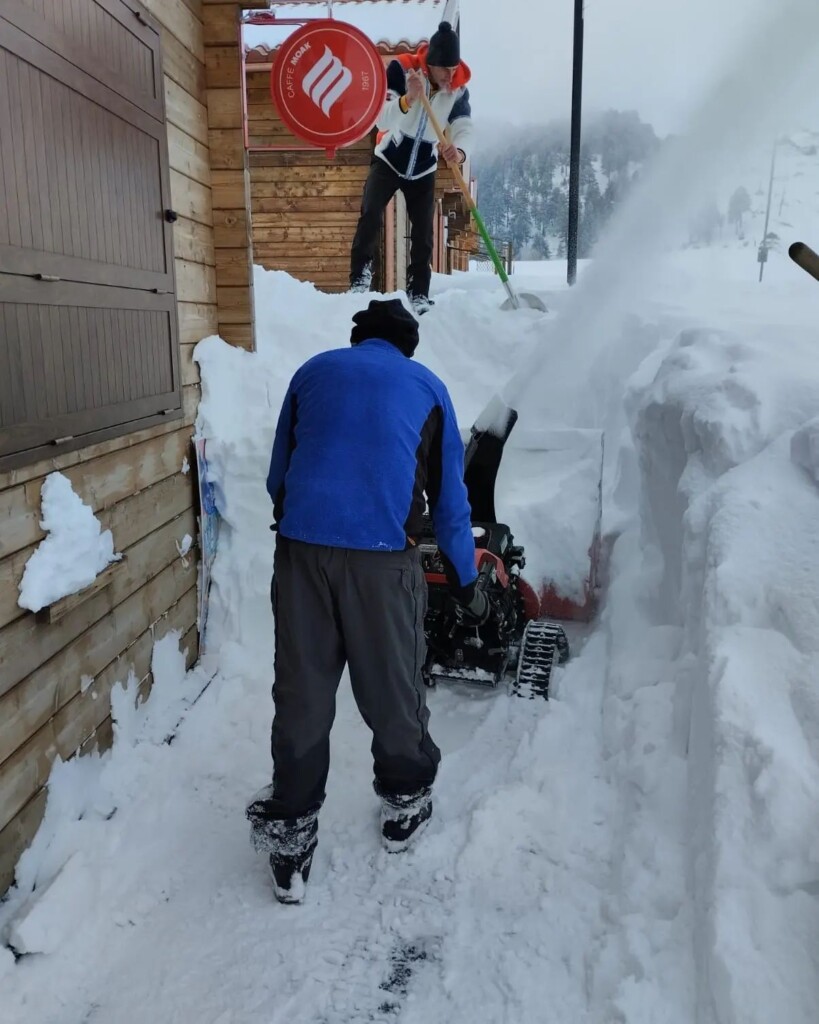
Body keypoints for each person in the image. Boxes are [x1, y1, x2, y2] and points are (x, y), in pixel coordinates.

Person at [246, 298, 489, 904]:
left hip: (301, 554)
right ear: (407, 344)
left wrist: (304, 524)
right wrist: (464, 579)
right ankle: (405, 801)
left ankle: (291, 835)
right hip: (383, 560)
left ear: (358, 339)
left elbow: (279, 473)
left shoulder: (311, 373)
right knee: (391, 685)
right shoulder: (427, 387)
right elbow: (452, 501)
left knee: (302, 691)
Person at [348, 21, 474, 315]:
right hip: (390, 157)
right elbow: (381, 119)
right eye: (445, 69)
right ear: (430, 64)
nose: (451, 75)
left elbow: (463, 125)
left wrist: (460, 151)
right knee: (370, 213)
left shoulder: (456, 90)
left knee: (423, 234)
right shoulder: (401, 71)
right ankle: (359, 278)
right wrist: (409, 99)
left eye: (454, 68)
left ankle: (419, 292)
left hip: (423, 167)